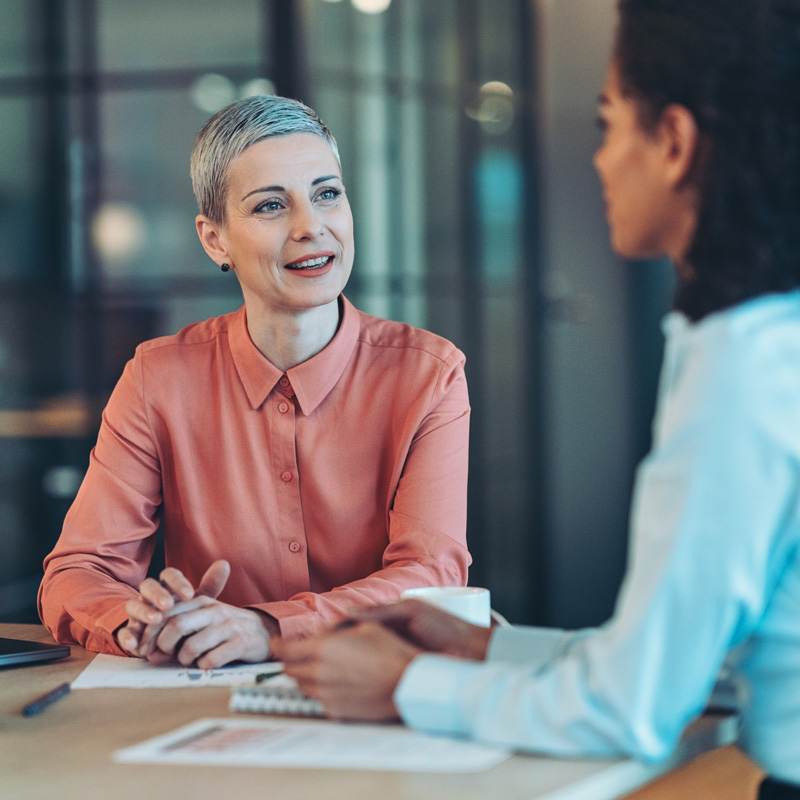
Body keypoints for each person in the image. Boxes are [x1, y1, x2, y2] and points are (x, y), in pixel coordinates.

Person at [273, 0, 800, 794]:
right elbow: (720, 658)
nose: (598, 160)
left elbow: (635, 706)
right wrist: (495, 648)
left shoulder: (743, 369)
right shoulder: (764, 338)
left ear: (676, 143)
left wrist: (403, 687)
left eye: (608, 124)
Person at [38, 94, 471, 669]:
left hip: (375, 690)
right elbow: (79, 571)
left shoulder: (428, 375)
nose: (310, 227)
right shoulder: (156, 379)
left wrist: (268, 628)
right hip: (201, 702)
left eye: (327, 194)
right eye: (271, 206)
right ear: (215, 239)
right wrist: (140, 623)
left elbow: (432, 574)